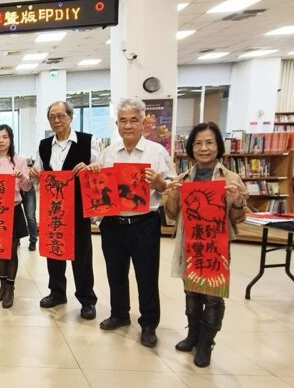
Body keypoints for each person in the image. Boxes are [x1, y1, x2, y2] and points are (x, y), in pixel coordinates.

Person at [90, 98, 175, 347]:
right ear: (117, 124)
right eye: (123, 121)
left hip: (144, 223)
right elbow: (100, 187)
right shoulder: (108, 153)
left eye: (133, 120)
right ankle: (119, 314)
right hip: (113, 223)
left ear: (143, 123)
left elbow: (171, 185)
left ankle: (148, 324)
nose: (128, 126)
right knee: (115, 272)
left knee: (146, 276)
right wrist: (94, 174)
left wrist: (159, 183)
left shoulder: (156, 152)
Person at [164, 122, 247, 367]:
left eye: (209, 142)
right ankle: (192, 334)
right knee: (191, 291)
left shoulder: (230, 178)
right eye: (198, 143)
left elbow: (238, 219)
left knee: (213, 295)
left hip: (216, 247)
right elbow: (171, 215)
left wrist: (236, 202)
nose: (204, 148)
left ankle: (206, 342)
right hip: (190, 244)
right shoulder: (183, 178)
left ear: (218, 146)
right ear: (191, 147)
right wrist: (173, 195)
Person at [31, 101, 100, 320]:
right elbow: (39, 174)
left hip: (78, 207)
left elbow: (100, 172)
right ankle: (57, 292)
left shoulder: (88, 141)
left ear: (70, 117)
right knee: (54, 250)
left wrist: (90, 169)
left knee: (81, 254)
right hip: (53, 207)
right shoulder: (44, 145)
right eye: (52, 117)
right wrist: (34, 174)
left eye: (61, 116)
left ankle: (87, 299)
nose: (56, 120)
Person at [0, 125, 32, 308]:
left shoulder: (19, 160)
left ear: (10, 139)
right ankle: (2, 286)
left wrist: (22, 177)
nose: (1, 141)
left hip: (13, 209)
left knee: (11, 250)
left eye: (5, 137)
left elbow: (27, 188)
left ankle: (10, 288)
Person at [21, 182, 38, 252]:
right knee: (14, 215)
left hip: (28, 188)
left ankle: (33, 241)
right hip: (13, 188)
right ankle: (16, 238)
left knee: (30, 217)